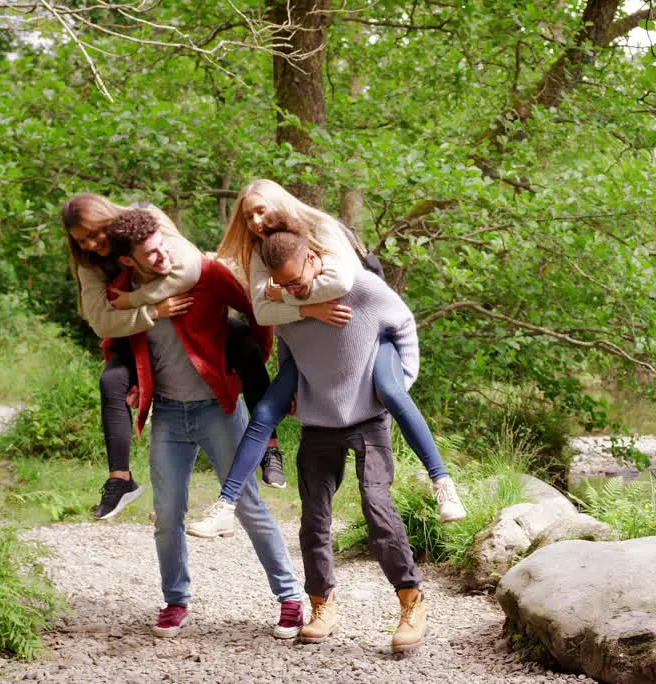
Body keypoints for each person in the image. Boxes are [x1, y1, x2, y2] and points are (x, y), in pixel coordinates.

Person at [186, 178, 464, 542]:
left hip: (368, 334)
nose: (254, 220)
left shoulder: (321, 229)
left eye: (260, 210)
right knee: (265, 413)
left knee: (393, 394)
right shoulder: (262, 252)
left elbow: (342, 284)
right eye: (248, 215)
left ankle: (442, 481)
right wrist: (310, 308)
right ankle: (226, 506)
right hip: (314, 347)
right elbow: (263, 312)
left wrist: (282, 295)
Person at [102, 208, 304, 639]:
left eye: (161, 248)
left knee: (247, 505)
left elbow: (255, 311)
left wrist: (247, 359)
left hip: (221, 407)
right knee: (168, 513)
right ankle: (176, 601)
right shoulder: (124, 291)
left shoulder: (204, 272)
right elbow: (111, 335)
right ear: (127, 261)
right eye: (149, 256)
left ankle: (290, 598)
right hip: (169, 415)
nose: (161, 259)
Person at [254, 210, 429, 650]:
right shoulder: (285, 307)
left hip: (368, 419)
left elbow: (404, 323)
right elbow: (290, 354)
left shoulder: (362, 287)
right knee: (314, 519)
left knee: (376, 505)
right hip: (318, 424)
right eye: (285, 286)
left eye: (299, 281)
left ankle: (411, 602)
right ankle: (321, 605)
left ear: (314, 257)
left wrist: (397, 385)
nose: (295, 291)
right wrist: (295, 392)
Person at [61, 194, 287, 522]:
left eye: (96, 233)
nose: (94, 244)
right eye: (83, 240)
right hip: (141, 331)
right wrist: (152, 311)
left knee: (243, 345)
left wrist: (134, 300)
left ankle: (270, 447)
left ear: (109, 218)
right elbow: (100, 321)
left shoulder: (145, 219)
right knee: (112, 381)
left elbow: (189, 266)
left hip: (190, 317)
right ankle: (120, 479)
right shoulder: (89, 261)